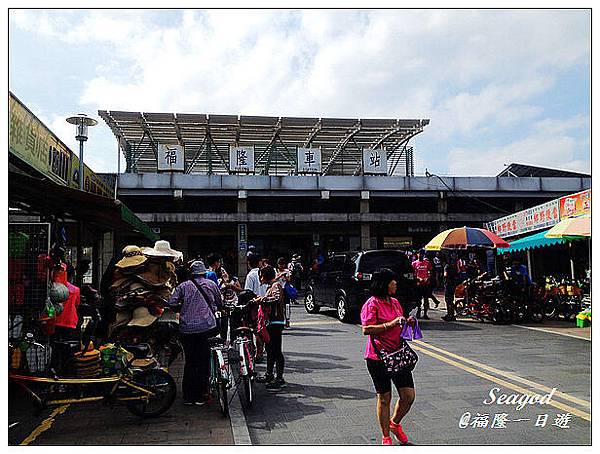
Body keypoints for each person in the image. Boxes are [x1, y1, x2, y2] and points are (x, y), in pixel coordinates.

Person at [361, 268, 417, 445]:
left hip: (398, 355)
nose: (395, 283)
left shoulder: (395, 302)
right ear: (384, 284)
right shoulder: (372, 304)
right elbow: (366, 329)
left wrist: (408, 322)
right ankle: (386, 436)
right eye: (392, 281)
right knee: (385, 398)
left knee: (409, 396)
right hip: (378, 358)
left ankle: (395, 423)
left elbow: (399, 328)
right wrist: (390, 324)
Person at [167, 260, 223, 406]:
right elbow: (219, 302)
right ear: (204, 272)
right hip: (206, 328)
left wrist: (183, 309)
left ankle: (188, 396)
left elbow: (171, 303)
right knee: (203, 361)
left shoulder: (183, 286)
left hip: (187, 329)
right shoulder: (211, 284)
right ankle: (201, 394)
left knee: (190, 362)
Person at [254, 265, 287, 390]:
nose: (260, 279)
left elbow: (276, 298)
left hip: (276, 323)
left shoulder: (276, 285)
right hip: (270, 323)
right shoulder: (271, 286)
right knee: (270, 350)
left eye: (261, 276)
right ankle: (269, 374)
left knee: (276, 350)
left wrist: (262, 299)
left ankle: (279, 379)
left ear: (266, 276)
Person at [244, 253, 268, 362]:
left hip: (254, 305)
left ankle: (257, 353)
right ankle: (260, 352)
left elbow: (248, 292)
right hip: (265, 304)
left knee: (255, 330)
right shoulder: (264, 273)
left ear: (249, 263)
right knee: (261, 329)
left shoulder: (250, 275)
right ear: (259, 262)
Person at [54, 264, 80, 340]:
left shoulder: (53, 288)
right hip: (70, 322)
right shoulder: (76, 290)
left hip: (55, 321)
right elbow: (76, 305)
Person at [411, 251, 440, 319]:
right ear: (417, 254)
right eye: (419, 254)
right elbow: (413, 274)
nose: (420, 255)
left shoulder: (427, 263)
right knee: (418, 300)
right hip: (418, 284)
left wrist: (428, 278)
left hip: (426, 284)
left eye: (422, 254)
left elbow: (430, 271)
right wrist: (418, 278)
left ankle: (425, 314)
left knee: (426, 299)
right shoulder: (414, 263)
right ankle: (418, 310)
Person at [442, 254, 458, 322]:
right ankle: (452, 314)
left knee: (448, 300)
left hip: (448, 285)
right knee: (451, 299)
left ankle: (449, 314)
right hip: (453, 284)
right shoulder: (454, 266)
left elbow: (445, 275)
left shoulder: (447, 266)